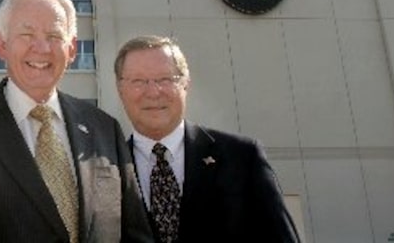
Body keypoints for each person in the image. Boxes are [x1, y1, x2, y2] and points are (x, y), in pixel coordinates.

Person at [0, 0, 155, 243]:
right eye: (27, 34)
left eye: (54, 36)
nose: (41, 48)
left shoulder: (104, 128)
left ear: (72, 49)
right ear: (1, 45)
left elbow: (135, 234)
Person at [114, 35, 301, 243]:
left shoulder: (243, 157)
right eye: (138, 81)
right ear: (121, 90)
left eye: (165, 79)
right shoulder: (107, 170)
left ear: (186, 84)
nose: (153, 92)